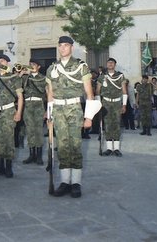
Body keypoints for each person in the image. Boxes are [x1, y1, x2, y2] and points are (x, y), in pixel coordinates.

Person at [46, 36, 101, 198]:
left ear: (71, 47)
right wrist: (49, 116)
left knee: (75, 145)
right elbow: (50, 94)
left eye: (66, 45)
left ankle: (76, 183)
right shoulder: (51, 68)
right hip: (57, 109)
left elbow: (89, 93)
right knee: (62, 146)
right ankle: (65, 182)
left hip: (74, 108)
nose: (62, 48)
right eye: (60, 45)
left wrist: (89, 116)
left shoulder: (80, 67)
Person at [0, 54, 23, 178]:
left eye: (1, 61)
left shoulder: (14, 77)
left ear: (7, 63)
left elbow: (20, 97)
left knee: (8, 139)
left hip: (8, 111)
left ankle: (8, 167)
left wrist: (18, 112)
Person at [96, 57, 127, 156]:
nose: (110, 64)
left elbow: (124, 91)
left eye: (112, 63)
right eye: (108, 63)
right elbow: (97, 91)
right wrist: (98, 104)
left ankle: (116, 148)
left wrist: (124, 105)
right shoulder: (102, 76)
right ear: (106, 64)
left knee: (117, 124)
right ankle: (109, 148)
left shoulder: (120, 76)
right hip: (106, 103)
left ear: (115, 65)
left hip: (117, 103)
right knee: (107, 125)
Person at [21, 59, 46, 165]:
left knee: (38, 131)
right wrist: (20, 74)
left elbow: (49, 94)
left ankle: (39, 156)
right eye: (30, 64)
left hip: (39, 105)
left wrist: (47, 111)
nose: (31, 66)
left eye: (34, 65)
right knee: (30, 130)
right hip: (28, 105)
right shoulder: (25, 78)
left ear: (39, 66)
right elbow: (15, 86)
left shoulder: (43, 78)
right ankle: (32, 155)